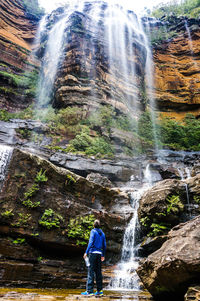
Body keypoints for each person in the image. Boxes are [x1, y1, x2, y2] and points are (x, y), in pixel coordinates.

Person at [81, 219, 106, 297]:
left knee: (91, 271)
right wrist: (103, 255)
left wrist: (86, 252)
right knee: (98, 272)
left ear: (93, 225)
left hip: (92, 253)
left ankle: (89, 291)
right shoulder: (102, 233)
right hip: (99, 254)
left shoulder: (93, 231)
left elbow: (91, 242)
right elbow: (104, 245)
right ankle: (99, 291)